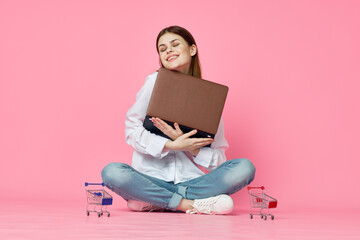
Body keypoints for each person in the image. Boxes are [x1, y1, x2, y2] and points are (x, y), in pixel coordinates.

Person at [101, 25, 256, 215]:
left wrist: (192, 148)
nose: (169, 51)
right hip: (151, 179)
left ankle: (154, 200)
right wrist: (171, 145)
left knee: (244, 167)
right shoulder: (153, 82)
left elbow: (220, 159)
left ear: (192, 49)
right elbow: (132, 130)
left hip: (193, 183)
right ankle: (189, 205)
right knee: (112, 172)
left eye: (175, 45)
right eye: (163, 49)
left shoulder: (209, 97)